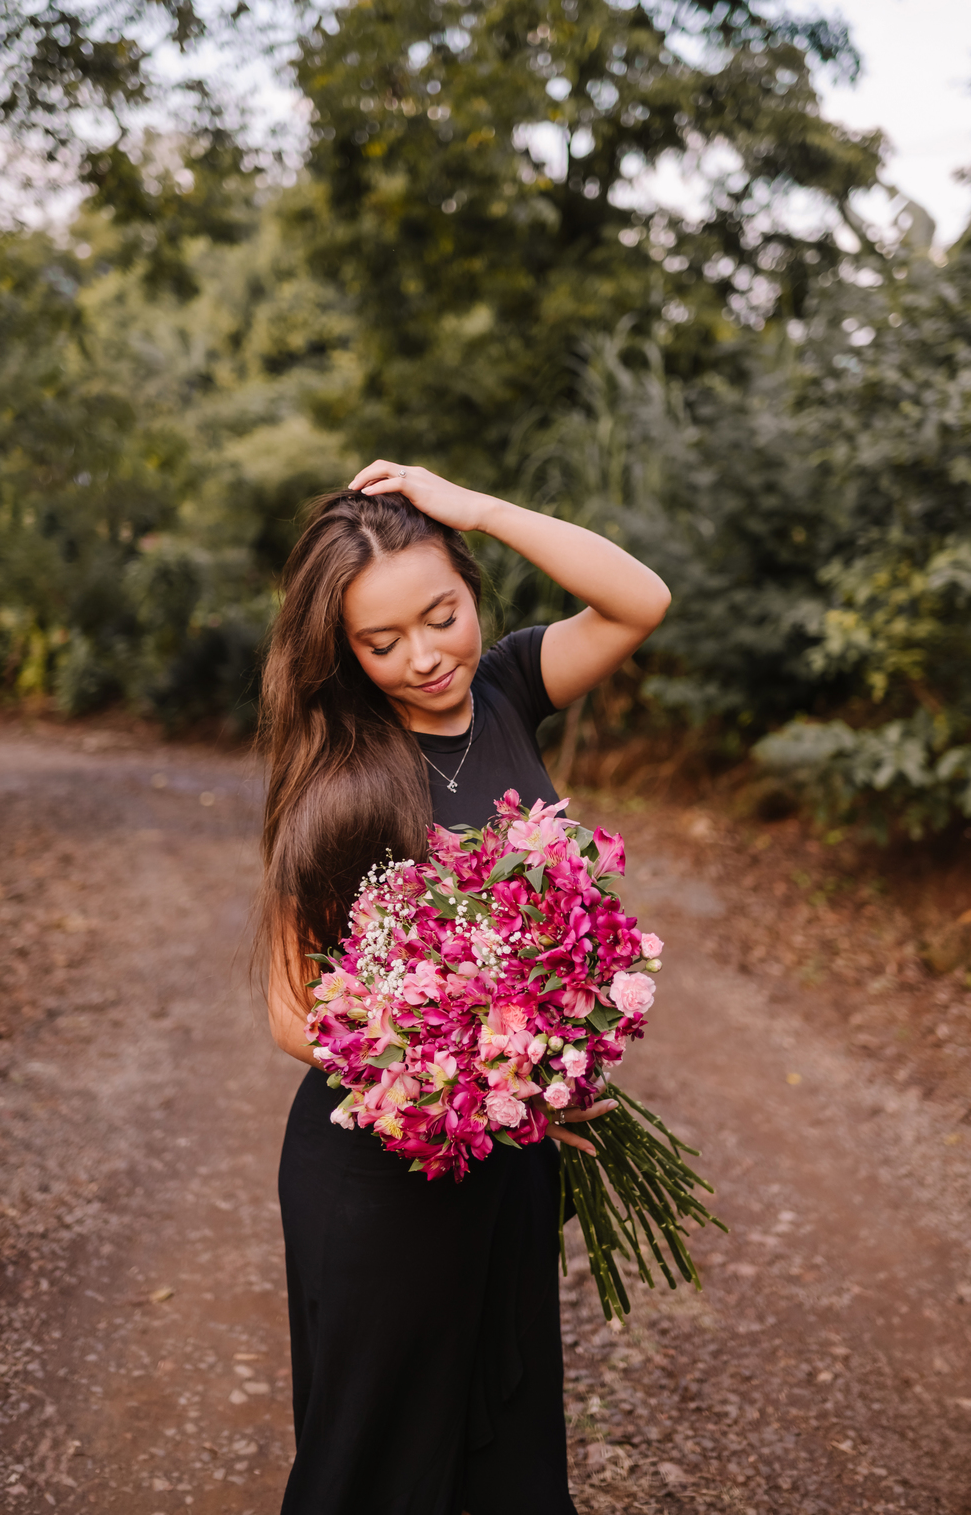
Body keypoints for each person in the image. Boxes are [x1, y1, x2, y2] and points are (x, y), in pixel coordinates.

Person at [260, 461, 672, 1515]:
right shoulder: (336, 775)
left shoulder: (507, 690)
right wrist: (475, 1072)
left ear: (468, 587)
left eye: (440, 614)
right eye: (380, 642)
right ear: (341, 650)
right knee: (375, 1462)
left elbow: (640, 599)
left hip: (501, 1157)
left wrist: (472, 507)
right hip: (380, 1168)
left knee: (509, 1446)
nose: (424, 657)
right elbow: (288, 1007)